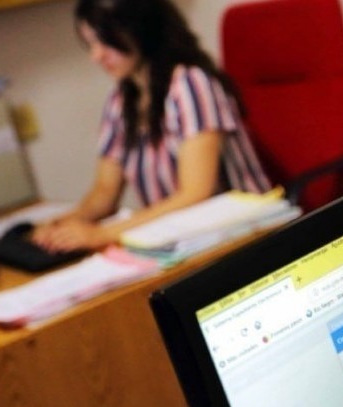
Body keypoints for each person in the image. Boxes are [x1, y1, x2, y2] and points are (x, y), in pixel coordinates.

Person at [33, 0, 271, 253]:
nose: (96, 56)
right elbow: (104, 192)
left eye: (106, 42)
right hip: (182, 239)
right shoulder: (121, 100)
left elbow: (195, 193)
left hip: (243, 236)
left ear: (141, 30)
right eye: (91, 44)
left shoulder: (191, 84)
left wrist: (102, 234)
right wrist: (62, 225)